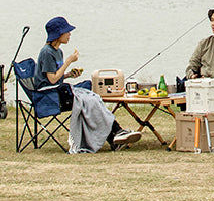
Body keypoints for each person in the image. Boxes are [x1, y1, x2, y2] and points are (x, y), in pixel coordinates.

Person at [38, 16, 142, 152]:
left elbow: (56, 77)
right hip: (49, 97)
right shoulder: (47, 52)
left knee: (90, 88)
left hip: (57, 91)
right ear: (58, 34)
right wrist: (68, 61)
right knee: (90, 98)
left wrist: (69, 74)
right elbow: (51, 80)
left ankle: (114, 136)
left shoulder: (58, 52)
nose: (70, 34)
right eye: (67, 32)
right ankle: (116, 132)